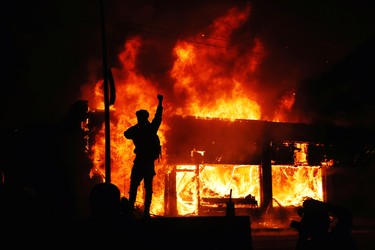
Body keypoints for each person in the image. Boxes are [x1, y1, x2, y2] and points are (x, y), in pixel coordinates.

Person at [124, 94, 164, 218]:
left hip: (142, 161)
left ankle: (136, 211)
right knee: (144, 187)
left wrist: (139, 124)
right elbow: (157, 118)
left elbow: (127, 133)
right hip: (146, 162)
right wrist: (160, 102)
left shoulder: (141, 129)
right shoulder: (150, 129)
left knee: (136, 186)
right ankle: (143, 211)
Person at [290, 198, 358, 250]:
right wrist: (320, 204)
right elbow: (346, 214)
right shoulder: (339, 238)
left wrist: (302, 236)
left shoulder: (337, 240)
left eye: (304, 221)